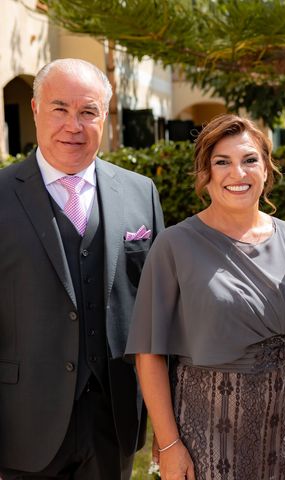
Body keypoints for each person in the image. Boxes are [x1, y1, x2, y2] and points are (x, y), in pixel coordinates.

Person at [125, 114, 285, 480]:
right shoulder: (175, 244)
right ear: (206, 174)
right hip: (205, 431)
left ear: (267, 169)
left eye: (250, 160)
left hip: (278, 428)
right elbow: (149, 354)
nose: (237, 173)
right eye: (222, 162)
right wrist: (170, 444)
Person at [0, 58, 164, 479]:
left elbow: (160, 311)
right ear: (36, 110)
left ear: (104, 118)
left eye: (87, 112)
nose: (73, 125)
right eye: (59, 109)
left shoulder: (139, 192)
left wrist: (167, 422)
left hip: (114, 417)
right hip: (22, 423)